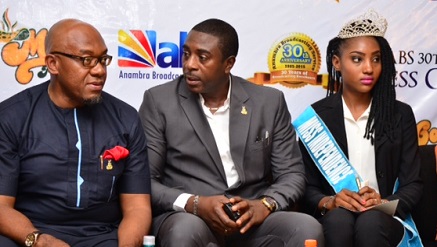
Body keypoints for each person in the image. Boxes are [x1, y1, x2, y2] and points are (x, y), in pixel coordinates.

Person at [138, 18, 324, 247]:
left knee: (306, 228)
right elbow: (144, 180)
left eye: (202, 57)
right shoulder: (159, 101)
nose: (189, 65)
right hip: (192, 219)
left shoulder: (268, 102)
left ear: (228, 64)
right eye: (186, 54)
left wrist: (265, 205)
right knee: (184, 230)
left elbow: (292, 174)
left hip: (250, 218)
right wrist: (195, 204)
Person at [0, 19, 152, 247]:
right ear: (53, 64)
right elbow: (1, 206)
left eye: (103, 59)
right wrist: (40, 241)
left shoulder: (126, 118)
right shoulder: (12, 116)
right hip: (31, 235)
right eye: (86, 60)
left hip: (102, 237)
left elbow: (137, 207)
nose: (100, 70)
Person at [297, 9, 423, 247]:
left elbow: (413, 185)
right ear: (337, 62)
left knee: (370, 222)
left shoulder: (399, 114)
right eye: (357, 59)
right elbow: (306, 185)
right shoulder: (317, 118)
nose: (368, 68)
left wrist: (383, 203)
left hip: (384, 216)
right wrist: (329, 201)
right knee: (338, 221)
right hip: (337, 213)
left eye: (376, 59)